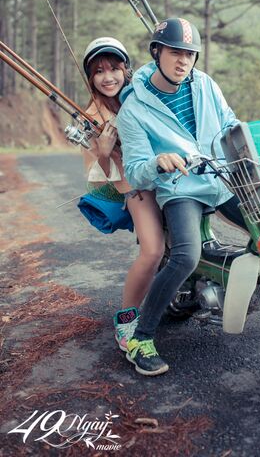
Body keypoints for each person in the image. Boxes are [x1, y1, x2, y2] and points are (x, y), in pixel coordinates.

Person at [117, 18, 260, 376]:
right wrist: (159, 162)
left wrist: (249, 140)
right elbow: (134, 170)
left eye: (190, 54)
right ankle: (141, 338)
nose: (183, 61)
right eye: (175, 52)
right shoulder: (134, 108)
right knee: (185, 256)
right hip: (180, 188)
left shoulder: (205, 84)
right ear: (156, 52)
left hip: (220, 178)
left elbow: (227, 124)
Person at [81, 37, 165, 353]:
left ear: (126, 70)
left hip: (169, 173)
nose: (108, 77)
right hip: (135, 188)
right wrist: (104, 152)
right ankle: (127, 320)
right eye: (99, 71)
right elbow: (99, 176)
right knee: (153, 251)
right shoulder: (90, 116)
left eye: (114, 68)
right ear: (91, 78)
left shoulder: (141, 94)